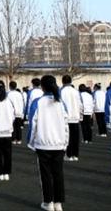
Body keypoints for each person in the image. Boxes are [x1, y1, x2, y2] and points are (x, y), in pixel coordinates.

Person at [27, 75, 69, 211]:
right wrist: (65, 142)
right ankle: (58, 203)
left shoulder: (37, 102)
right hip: (59, 143)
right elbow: (66, 125)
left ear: (42, 87)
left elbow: (32, 124)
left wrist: (31, 142)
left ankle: (48, 202)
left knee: (45, 174)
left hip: (43, 143)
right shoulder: (61, 103)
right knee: (58, 173)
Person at [59, 75, 82, 162]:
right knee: (75, 137)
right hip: (75, 117)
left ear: (62, 81)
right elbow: (80, 104)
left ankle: (68, 154)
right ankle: (75, 155)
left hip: (66, 118)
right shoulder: (76, 91)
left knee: (67, 137)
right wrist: (80, 116)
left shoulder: (61, 91)